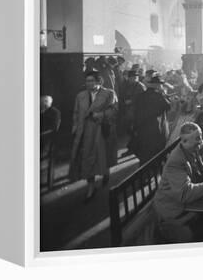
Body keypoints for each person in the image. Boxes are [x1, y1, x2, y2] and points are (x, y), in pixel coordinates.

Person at [153, 122, 203, 243]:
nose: (201, 141)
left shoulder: (197, 145)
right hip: (174, 213)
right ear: (184, 142)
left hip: (192, 205)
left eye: (201, 136)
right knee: (202, 234)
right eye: (197, 139)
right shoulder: (175, 161)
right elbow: (184, 193)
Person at [70, 71, 118, 202]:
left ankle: (105, 172)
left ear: (99, 82)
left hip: (100, 130)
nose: (88, 83)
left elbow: (114, 110)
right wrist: (75, 126)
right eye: (87, 81)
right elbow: (76, 112)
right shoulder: (80, 96)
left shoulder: (109, 93)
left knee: (102, 156)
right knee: (86, 158)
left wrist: (101, 115)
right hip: (84, 131)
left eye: (91, 81)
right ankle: (90, 187)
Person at [129, 75, 171, 165]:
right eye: (161, 85)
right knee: (156, 154)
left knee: (145, 153)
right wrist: (163, 93)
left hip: (142, 128)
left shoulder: (140, 96)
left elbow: (135, 112)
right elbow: (168, 106)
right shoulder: (159, 96)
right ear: (157, 85)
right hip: (156, 130)